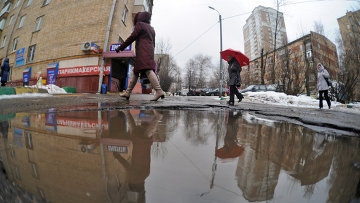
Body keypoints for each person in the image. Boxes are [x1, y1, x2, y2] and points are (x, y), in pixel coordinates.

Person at [116, 11, 165, 101]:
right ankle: (128, 92)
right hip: (149, 51)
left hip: (142, 51)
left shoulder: (140, 25)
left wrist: (120, 47)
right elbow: (153, 43)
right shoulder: (151, 28)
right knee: (135, 72)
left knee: (148, 70)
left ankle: (159, 90)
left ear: (140, 18)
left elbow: (132, 37)